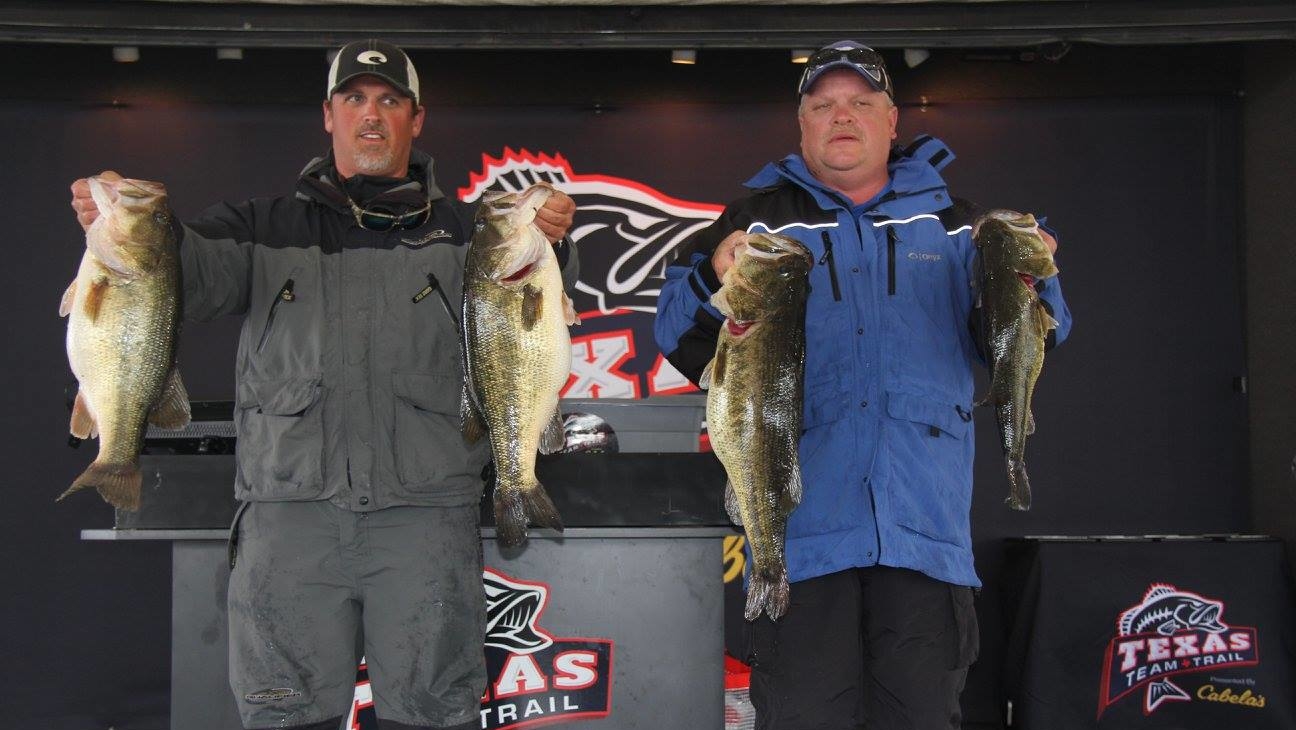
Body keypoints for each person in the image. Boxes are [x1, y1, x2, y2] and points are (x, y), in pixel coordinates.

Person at [71, 39, 578, 730]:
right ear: (328, 115)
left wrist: (552, 236)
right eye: (355, 98)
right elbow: (176, 273)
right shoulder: (258, 228)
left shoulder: (470, 232)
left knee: (435, 714)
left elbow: (528, 313)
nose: (372, 115)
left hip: (425, 520)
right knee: (285, 716)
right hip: (289, 520)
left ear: (416, 119)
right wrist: (125, 225)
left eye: (390, 101)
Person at [654, 41, 1072, 729]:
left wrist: (1033, 276)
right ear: (802, 125)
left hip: (925, 536)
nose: (841, 116)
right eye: (823, 106)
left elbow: (1031, 340)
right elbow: (677, 341)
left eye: (860, 103)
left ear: (892, 120)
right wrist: (711, 275)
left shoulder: (959, 224)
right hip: (800, 537)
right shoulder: (751, 224)